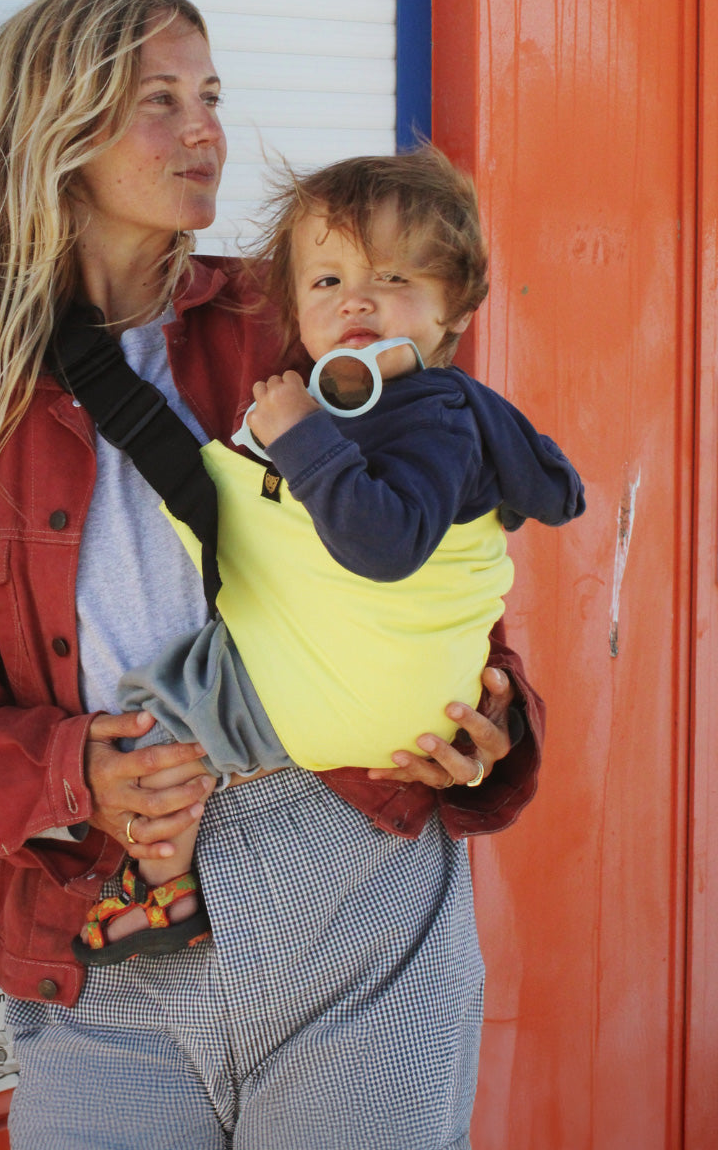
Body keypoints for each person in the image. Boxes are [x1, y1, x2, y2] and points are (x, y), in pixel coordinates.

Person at [0, 0, 546, 1149]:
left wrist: (492, 729)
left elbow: (432, 539)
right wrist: (66, 772)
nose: (205, 131)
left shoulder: (289, 325)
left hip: (351, 863)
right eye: (159, 100)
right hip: (105, 907)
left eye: (212, 95)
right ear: (58, 131)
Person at [76, 147, 583, 965]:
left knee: (169, 703)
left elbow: (381, 549)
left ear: (455, 310)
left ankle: (161, 878)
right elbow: (556, 492)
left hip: (335, 720)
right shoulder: (437, 412)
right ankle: (170, 878)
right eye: (326, 281)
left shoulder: (431, 413)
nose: (356, 298)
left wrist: (300, 436)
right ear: (292, 306)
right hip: (408, 725)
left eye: (393, 279)